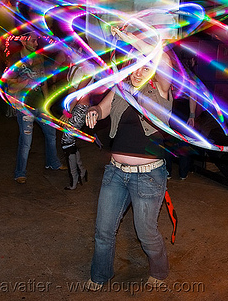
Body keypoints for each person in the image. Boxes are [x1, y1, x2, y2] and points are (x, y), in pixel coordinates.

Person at [85, 26, 173, 289]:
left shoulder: (160, 91)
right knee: (103, 230)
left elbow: (164, 60)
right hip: (115, 172)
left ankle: (159, 271)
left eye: (145, 67)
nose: (138, 72)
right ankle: (100, 275)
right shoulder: (121, 87)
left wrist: (129, 39)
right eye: (134, 66)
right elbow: (103, 107)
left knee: (146, 234)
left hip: (148, 176)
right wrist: (93, 111)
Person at [5, 32, 64, 184]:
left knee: (51, 134)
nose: (37, 43)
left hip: (40, 105)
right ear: (24, 42)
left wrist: (47, 102)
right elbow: (9, 86)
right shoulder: (14, 60)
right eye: (33, 40)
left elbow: (43, 81)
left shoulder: (39, 58)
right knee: (26, 141)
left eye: (37, 40)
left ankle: (53, 162)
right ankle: (20, 172)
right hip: (24, 107)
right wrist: (24, 83)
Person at [60, 46, 95, 190]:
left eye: (73, 52)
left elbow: (79, 93)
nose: (70, 54)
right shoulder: (75, 67)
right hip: (72, 107)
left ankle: (75, 177)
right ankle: (81, 172)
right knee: (69, 141)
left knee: (66, 141)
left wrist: (67, 112)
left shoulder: (89, 68)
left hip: (80, 109)